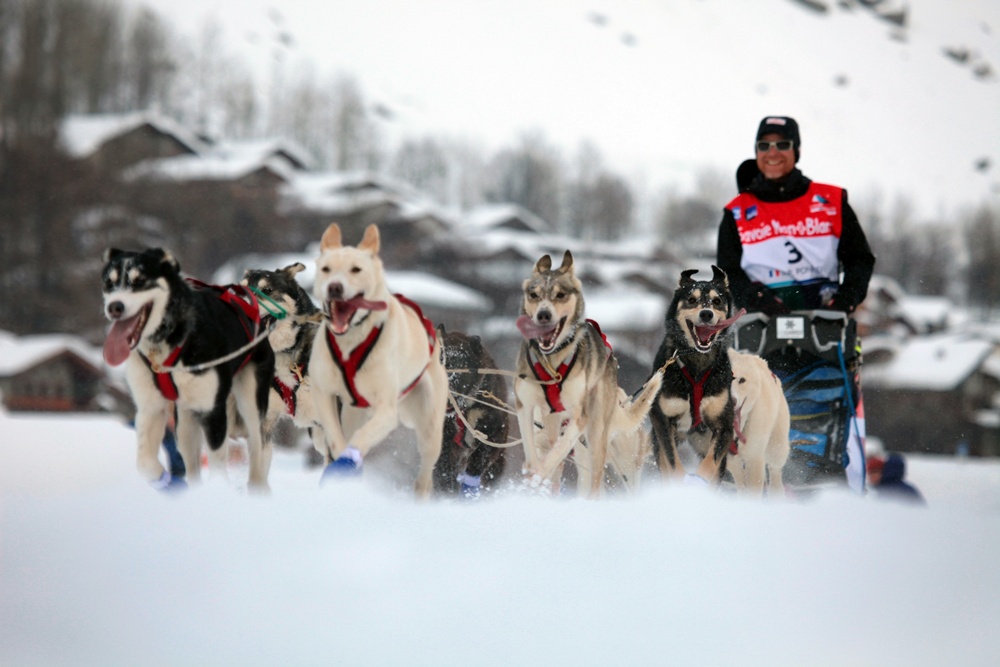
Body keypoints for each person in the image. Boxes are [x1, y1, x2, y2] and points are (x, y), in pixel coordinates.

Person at [718, 116, 876, 492]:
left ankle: (823, 486)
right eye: (764, 146)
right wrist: (754, 296)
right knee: (756, 420)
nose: (773, 153)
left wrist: (845, 298)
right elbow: (727, 275)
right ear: (756, 152)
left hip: (824, 334)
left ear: (797, 150)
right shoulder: (737, 211)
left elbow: (860, 259)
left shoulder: (831, 200)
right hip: (759, 339)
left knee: (825, 415)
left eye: (781, 144)